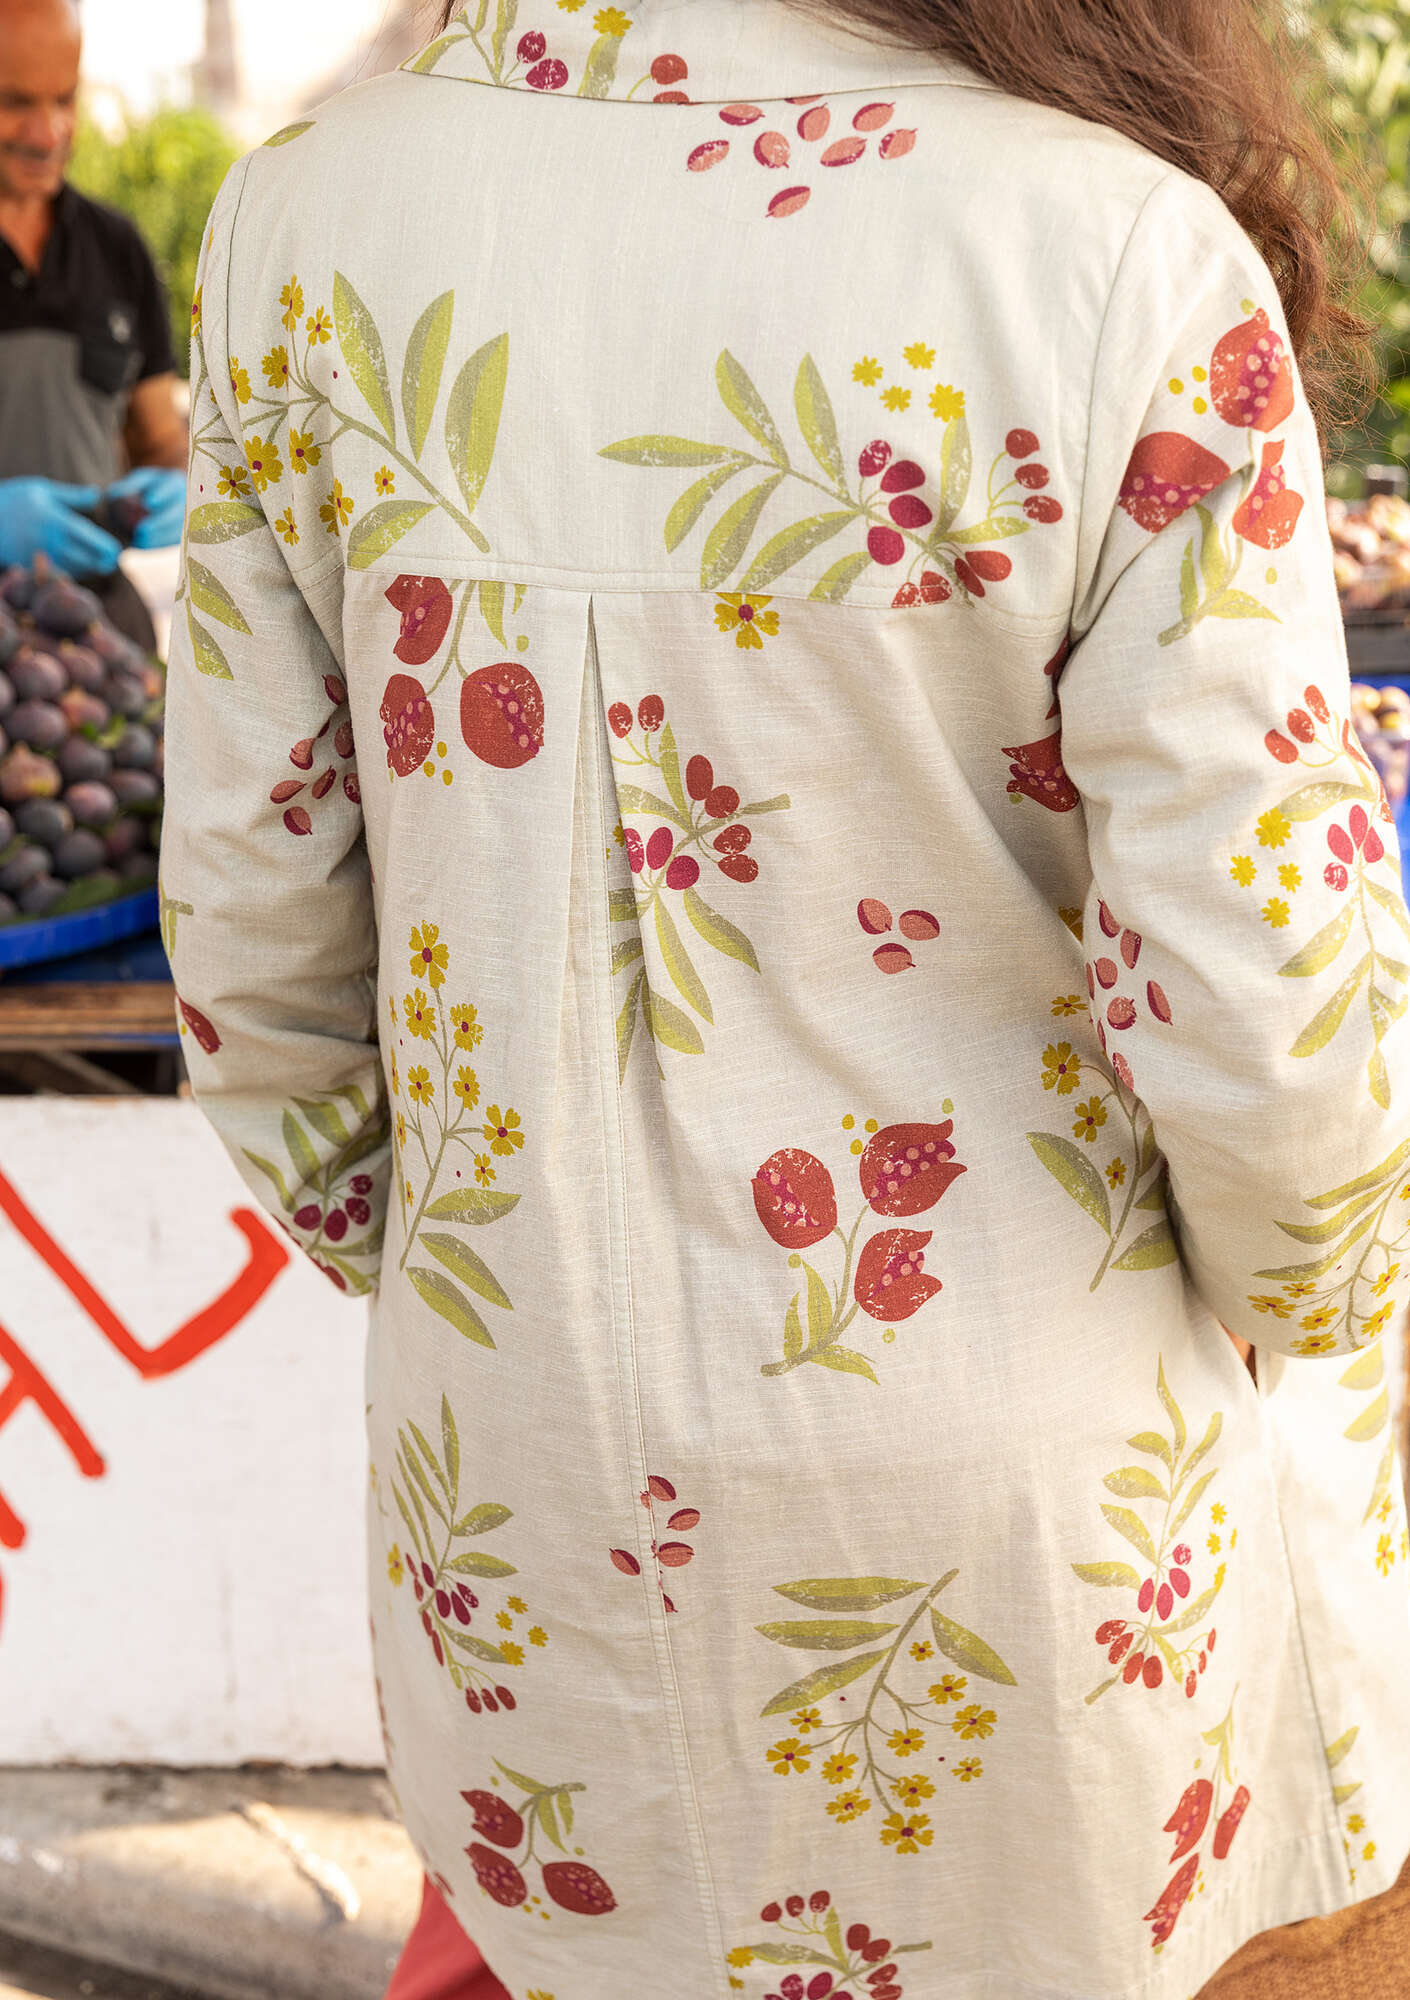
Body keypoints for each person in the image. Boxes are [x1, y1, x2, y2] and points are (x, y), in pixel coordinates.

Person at [159, 0, 1410, 1994]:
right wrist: (1314, 1306)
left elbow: (252, 931)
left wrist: (484, 1258)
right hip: (1036, 1541)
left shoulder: (303, 223)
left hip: (528, 1498)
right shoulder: (1118, 258)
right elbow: (1284, 1045)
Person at [0, 0, 186, 637]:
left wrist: (177, 483)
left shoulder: (117, 249)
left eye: (65, 99)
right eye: (15, 103)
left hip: (99, 629)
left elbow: (159, 438)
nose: (48, 133)